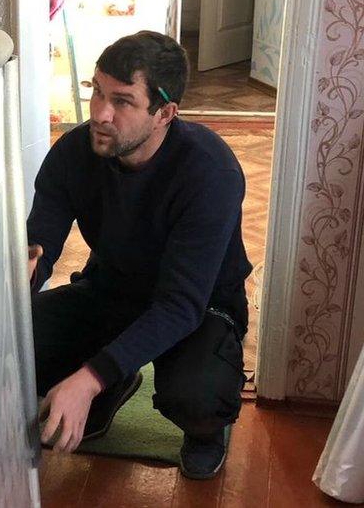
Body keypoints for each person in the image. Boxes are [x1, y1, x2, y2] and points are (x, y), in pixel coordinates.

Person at [27, 31, 251, 480]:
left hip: (200, 307)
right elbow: (40, 244)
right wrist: (21, 275)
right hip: (112, 289)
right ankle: (114, 384)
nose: (100, 114)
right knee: (15, 348)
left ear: (165, 113)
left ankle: (204, 432)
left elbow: (180, 305)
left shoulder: (210, 172)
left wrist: (87, 378)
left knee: (196, 395)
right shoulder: (75, 152)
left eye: (123, 101)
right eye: (97, 92)